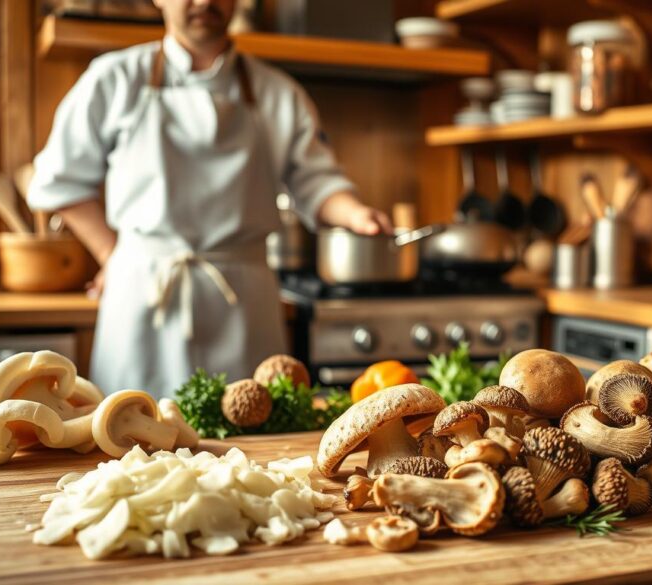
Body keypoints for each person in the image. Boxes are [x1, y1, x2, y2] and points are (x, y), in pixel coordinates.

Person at [27, 0, 391, 398]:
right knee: (130, 441)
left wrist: (355, 214)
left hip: (244, 302)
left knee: (255, 444)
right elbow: (60, 182)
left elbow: (317, 183)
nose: (204, 2)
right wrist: (108, 252)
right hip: (143, 295)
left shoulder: (278, 93)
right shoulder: (113, 79)